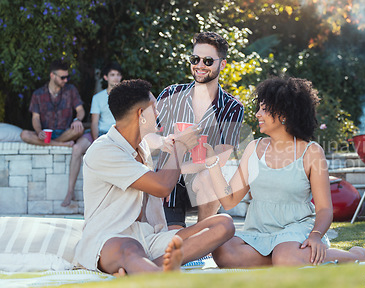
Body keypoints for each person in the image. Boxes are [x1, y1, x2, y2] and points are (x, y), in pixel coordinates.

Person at [200, 77, 365, 268]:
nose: (257, 114)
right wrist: (212, 162)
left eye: (264, 109)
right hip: (259, 232)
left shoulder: (312, 152)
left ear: (284, 114)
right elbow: (229, 200)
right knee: (224, 252)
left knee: (285, 255)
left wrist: (316, 235)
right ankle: (290, 259)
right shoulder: (253, 148)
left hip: (297, 230)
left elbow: (324, 208)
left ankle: (356, 254)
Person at [74, 79, 235, 275]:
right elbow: (162, 186)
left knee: (223, 224)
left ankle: (143, 269)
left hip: (149, 237)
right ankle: (155, 274)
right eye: (154, 109)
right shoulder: (104, 150)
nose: (158, 114)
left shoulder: (141, 147)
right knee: (130, 249)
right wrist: (180, 147)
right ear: (140, 115)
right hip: (110, 237)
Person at [156, 31, 244, 229]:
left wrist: (177, 168)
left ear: (223, 64)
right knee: (174, 242)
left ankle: (203, 236)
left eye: (208, 60)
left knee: (210, 177)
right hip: (166, 185)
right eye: (195, 59)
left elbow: (220, 159)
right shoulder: (171, 94)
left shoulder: (233, 108)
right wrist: (164, 142)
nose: (200, 65)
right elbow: (147, 136)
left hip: (199, 185)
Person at [62, 62, 123, 207]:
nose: (116, 78)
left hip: (116, 134)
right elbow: (94, 122)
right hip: (98, 134)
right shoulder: (98, 97)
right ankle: (70, 192)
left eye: (118, 75)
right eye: (112, 75)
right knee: (77, 149)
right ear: (105, 77)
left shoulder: (124, 97)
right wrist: (97, 142)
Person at [21, 60, 83, 147]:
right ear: (52, 75)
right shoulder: (38, 94)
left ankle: (51, 143)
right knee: (24, 134)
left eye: (67, 77)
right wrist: (39, 132)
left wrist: (77, 120)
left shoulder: (71, 90)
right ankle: (61, 144)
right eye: (62, 77)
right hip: (45, 133)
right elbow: (35, 118)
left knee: (79, 129)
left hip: (65, 132)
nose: (65, 80)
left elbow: (80, 110)